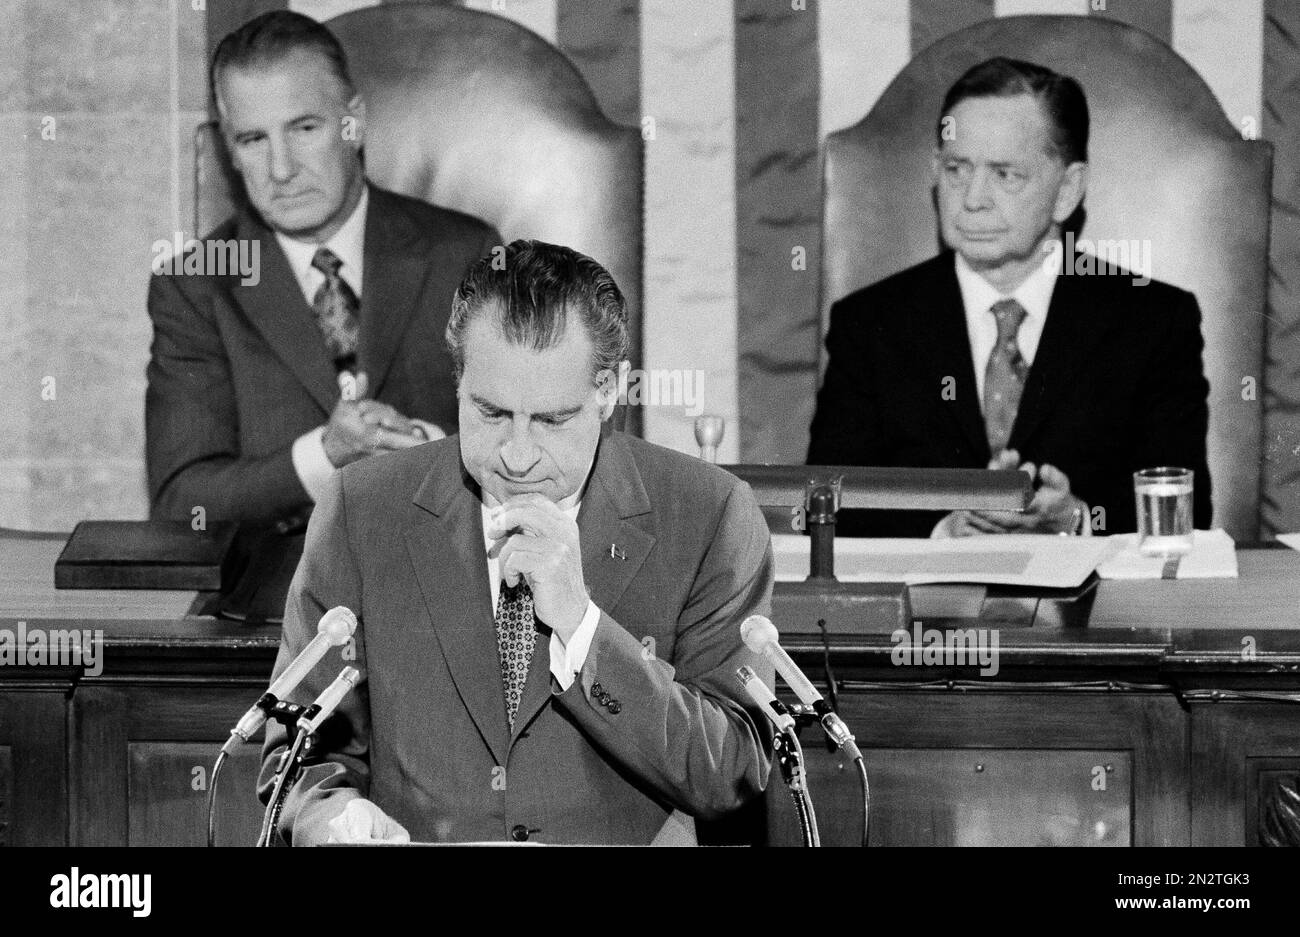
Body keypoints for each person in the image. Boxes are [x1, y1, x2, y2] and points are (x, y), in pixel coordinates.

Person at [259, 240, 775, 845]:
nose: (518, 456)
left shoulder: (711, 515)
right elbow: (298, 759)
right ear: (458, 384)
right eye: (491, 413)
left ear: (609, 391)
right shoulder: (361, 508)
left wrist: (582, 628)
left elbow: (730, 771)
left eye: (552, 421)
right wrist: (330, 820)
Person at [145, 10, 499, 614]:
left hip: (452, 602)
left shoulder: (463, 253)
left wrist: (431, 448)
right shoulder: (196, 285)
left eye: (304, 128)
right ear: (229, 150)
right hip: (269, 622)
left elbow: (534, 444)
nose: (281, 170)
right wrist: (325, 454)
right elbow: (184, 503)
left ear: (352, 123)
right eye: (253, 140)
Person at [808, 57, 1211, 538]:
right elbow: (829, 506)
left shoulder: (1153, 323)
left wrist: (1077, 518)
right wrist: (944, 530)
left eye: (1005, 174)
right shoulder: (871, 324)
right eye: (957, 168)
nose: (973, 197)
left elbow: (1181, 511)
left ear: (1066, 190)